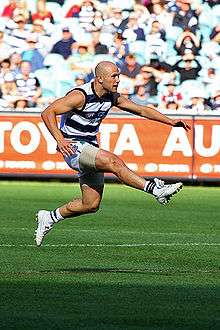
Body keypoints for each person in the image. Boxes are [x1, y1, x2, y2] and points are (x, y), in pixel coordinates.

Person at [35, 61, 190, 247]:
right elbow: (48, 112)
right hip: (73, 147)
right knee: (113, 162)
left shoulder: (111, 97)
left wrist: (171, 122)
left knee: (90, 204)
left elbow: (141, 110)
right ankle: (155, 189)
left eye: (118, 75)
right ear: (100, 79)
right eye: (114, 76)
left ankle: (50, 217)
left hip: (89, 147)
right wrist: (59, 140)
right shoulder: (80, 96)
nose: (118, 79)